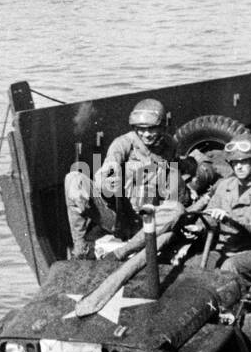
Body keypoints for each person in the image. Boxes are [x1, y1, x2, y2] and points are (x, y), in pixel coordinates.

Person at [64, 98, 182, 258]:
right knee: (74, 179)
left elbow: (174, 173)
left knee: (177, 209)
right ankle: (81, 248)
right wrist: (108, 179)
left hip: (148, 216)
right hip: (119, 215)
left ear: (162, 127)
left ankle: (123, 251)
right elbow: (110, 164)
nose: (146, 134)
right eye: (141, 129)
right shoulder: (123, 143)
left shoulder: (170, 145)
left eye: (152, 129)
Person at [196, 135, 251, 294]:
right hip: (228, 249)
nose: (239, 167)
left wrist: (230, 217)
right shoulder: (225, 186)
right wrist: (197, 227)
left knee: (229, 268)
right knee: (194, 266)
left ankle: (228, 313)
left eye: (244, 162)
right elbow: (210, 216)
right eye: (235, 162)